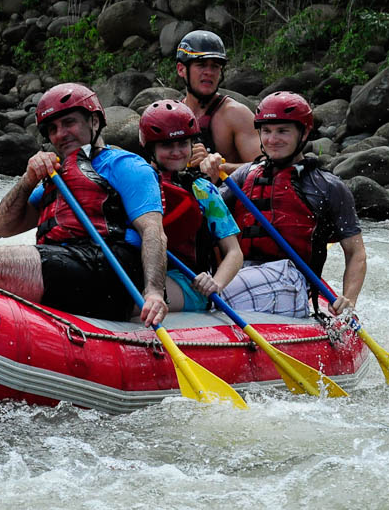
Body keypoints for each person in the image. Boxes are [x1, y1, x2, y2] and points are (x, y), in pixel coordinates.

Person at [0, 83, 167, 326]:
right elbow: (0, 228)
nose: (60, 134)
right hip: (66, 267)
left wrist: (154, 292)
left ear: (94, 121)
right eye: (53, 129)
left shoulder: (126, 165)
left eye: (69, 123)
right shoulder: (55, 179)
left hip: (109, 271)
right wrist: (28, 179)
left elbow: (153, 231)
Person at [206, 91, 367, 316]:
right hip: (239, 269)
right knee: (195, 287)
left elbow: (355, 252)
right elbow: (206, 212)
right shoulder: (245, 175)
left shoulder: (328, 186)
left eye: (283, 131)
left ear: (304, 133)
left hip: (291, 278)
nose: (272, 140)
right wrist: (203, 177)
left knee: (208, 295)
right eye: (266, 131)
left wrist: (349, 300)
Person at [137, 100, 243, 311]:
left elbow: (234, 252)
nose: (177, 151)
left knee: (129, 302)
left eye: (183, 144)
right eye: (167, 145)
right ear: (150, 148)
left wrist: (216, 283)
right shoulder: (136, 182)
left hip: (188, 281)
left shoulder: (203, 190)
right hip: (141, 272)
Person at [175, 30, 260, 176]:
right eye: (201, 65)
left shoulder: (236, 114)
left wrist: (218, 166)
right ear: (181, 69)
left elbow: (264, 168)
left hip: (226, 191)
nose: (209, 72)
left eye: (215, 66)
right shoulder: (172, 114)